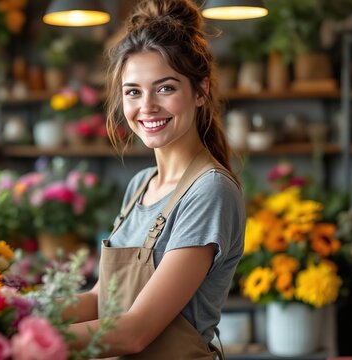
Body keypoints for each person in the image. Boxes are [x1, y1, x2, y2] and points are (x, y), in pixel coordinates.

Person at [65, 0, 246, 358]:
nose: (146, 106)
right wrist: (17, 312)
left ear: (200, 91)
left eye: (165, 88)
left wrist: (34, 338)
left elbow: (135, 331)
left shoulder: (209, 191)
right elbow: (100, 300)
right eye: (133, 91)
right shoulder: (141, 186)